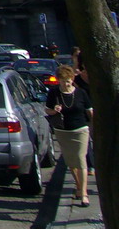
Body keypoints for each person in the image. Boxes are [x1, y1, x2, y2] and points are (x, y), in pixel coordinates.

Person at [45, 64, 93, 206]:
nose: (66, 84)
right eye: (63, 81)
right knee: (71, 161)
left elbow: (89, 110)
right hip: (63, 131)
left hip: (80, 129)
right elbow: (47, 110)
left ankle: (84, 193)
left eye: (68, 80)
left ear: (72, 79)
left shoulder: (80, 93)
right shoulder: (54, 93)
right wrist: (54, 110)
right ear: (58, 80)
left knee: (80, 159)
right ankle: (79, 186)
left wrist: (94, 123)